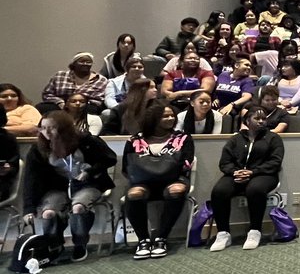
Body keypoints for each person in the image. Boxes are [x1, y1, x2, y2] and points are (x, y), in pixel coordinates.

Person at [21, 111, 117, 262]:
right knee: (48, 213)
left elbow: (110, 159)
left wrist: (89, 171)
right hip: (58, 187)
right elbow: (31, 179)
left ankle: (80, 244)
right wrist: (28, 208)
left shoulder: (86, 140)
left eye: (52, 128)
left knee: (78, 206)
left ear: (64, 128)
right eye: (43, 128)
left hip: (87, 184)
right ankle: (54, 245)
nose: (46, 132)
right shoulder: (38, 149)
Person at [209, 104, 285, 251]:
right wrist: (234, 172)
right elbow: (225, 162)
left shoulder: (273, 138)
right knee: (219, 191)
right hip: (236, 174)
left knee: (255, 189)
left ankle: (255, 231)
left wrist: (252, 172)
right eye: (257, 118)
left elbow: (275, 162)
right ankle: (223, 233)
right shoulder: (236, 139)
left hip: (265, 175)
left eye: (264, 118)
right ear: (247, 120)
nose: (261, 121)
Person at [123, 103, 194, 259]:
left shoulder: (182, 138)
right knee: (134, 194)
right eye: (165, 116)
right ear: (153, 119)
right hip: (143, 181)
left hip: (175, 178)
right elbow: (126, 167)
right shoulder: (135, 140)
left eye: (172, 116)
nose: (170, 119)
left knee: (176, 190)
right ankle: (143, 240)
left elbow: (186, 163)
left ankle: (161, 238)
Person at [41, 52, 108, 114]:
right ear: (74, 63)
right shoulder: (60, 75)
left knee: (92, 109)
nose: (85, 64)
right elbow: (47, 94)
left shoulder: (101, 80)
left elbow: (99, 100)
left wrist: (79, 104)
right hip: (60, 106)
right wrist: (60, 102)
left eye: (88, 62)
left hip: (86, 107)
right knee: (42, 107)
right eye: (81, 61)